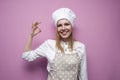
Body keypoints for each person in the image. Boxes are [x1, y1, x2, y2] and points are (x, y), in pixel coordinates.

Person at [22, 8, 88, 80]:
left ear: (71, 26)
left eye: (67, 24)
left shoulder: (80, 47)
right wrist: (31, 36)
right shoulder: (49, 44)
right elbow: (27, 56)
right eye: (59, 25)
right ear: (57, 28)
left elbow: (83, 75)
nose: (63, 28)